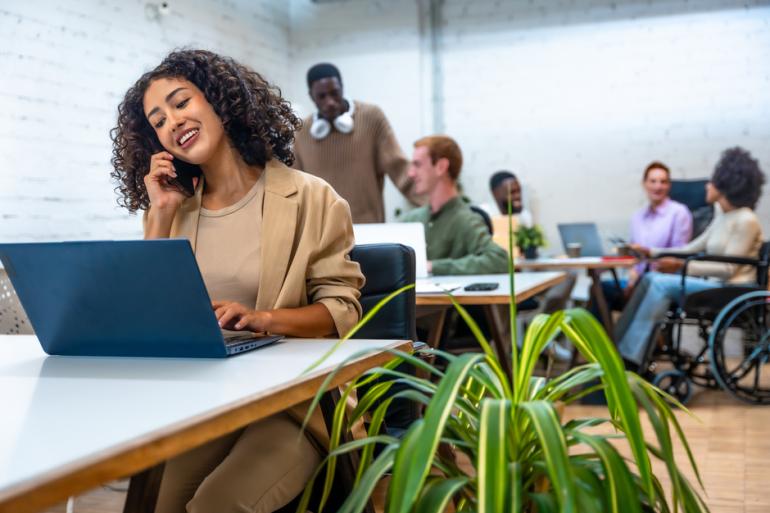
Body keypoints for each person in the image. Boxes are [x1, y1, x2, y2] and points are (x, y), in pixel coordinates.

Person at [110, 49, 364, 513]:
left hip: (293, 406)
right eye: (158, 119)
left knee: (215, 505)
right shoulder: (173, 209)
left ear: (219, 101)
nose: (172, 121)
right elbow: (142, 322)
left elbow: (341, 312)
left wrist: (262, 319)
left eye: (181, 102)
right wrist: (159, 217)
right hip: (209, 403)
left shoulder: (312, 197)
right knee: (157, 505)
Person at [616, 147, 765, 368]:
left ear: (725, 187)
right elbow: (692, 247)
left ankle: (629, 358)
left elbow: (729, 270)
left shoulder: (746, 220)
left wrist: (681, 267)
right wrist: (652, 252)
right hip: (716, 285)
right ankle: (615, 347)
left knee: (658, 284)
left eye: (712, 182)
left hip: (732, 289)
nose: (707, 185)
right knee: (647, 279)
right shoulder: (723, 217)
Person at [293, 63, 423, 223]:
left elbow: (399, 168)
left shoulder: (371, 118)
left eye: (335, 93)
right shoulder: (301, 133)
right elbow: (295, 188)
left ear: (342, 88)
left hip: (369, 228)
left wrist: (436, 203)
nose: (330, 102)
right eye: (322, 96)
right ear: (311, 96)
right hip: (322, 233)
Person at [400, 135, 508, 275]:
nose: (410, 173)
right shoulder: (410, 220)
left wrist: (433, 267)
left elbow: (499, 260)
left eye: (418, 164)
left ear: (441, 167)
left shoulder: (466, 220)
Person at [596, 161, 694, 313]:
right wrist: (632, 279)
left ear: (669, 185)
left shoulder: (679, 213)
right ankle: (599, 336)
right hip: (638, 277)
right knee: (598, 289)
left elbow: (678, 256)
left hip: (661, 278)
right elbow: (636, 258)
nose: (658, 186)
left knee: (606, 292)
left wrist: (641, 279)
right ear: (644, 184)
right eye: (653, 181)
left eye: (663, 181)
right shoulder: (638, 217)